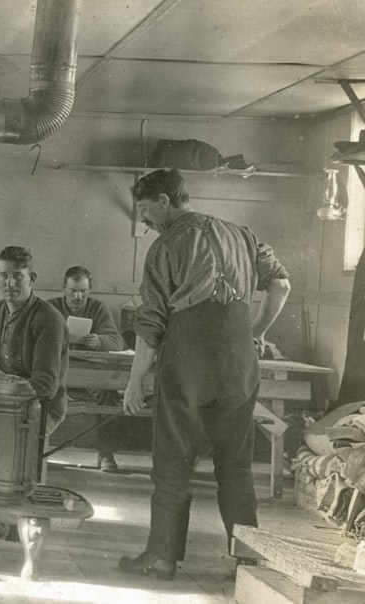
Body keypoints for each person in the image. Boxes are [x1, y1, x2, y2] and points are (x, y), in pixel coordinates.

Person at [118, 169, 291, 580]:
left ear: (163, 201)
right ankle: (249, 561)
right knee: (236, 465)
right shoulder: (244, 235)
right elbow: (282, 286)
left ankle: (162, 557)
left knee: (173, 460)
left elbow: (151, 325)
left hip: (189, 357)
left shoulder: (165, 247)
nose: (144, 222)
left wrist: (134, 380)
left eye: (145, 212)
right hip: (238, 360)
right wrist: (256, 333)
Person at [0, 246, 69, 436]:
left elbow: (45, 385)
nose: (10, 283)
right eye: (4, 276)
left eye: (18, 276)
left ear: (31, 279)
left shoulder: (49, 319)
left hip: (39, 408)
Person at [46, 266, 128, 472]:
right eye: (73, 291)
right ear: (64, 288)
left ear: (89, 290)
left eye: (83, 291)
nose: (78, 296)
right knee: (36, 392)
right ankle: (36, 451)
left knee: (108, 395)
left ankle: (106, 453)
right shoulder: (50, 308)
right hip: (56, 374)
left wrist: (98, 341)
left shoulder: (98, 308)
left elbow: (117, 343)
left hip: (88, 377)